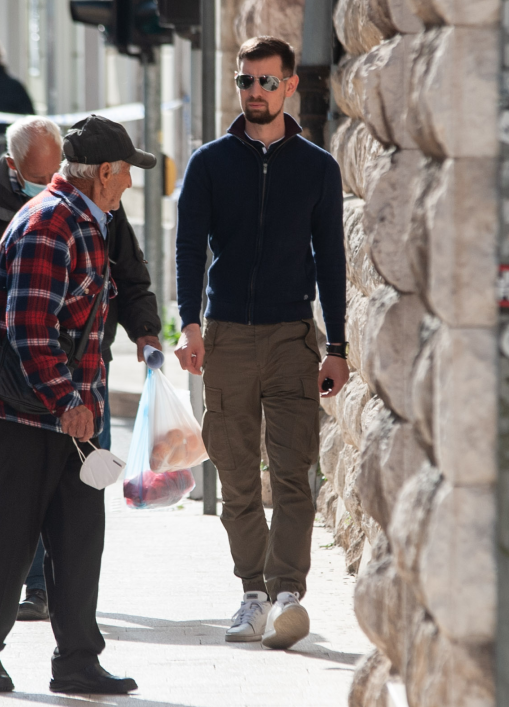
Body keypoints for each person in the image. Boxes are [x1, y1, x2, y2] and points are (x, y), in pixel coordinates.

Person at [0, 115, 156, 694]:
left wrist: (85, 397)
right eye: (125, 175)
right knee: (10, 533)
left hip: (68, 411)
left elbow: (90, 312)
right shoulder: (50, 224)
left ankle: (76, 661)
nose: (129, 186)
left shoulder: (87, 218)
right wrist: (69, 399)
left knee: (78, 532)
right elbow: (30, 327)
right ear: (104, 174)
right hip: (26, 410)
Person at [174, 36, 349, 651]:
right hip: (226, 337)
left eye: (266, 82)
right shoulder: (210, 163)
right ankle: (252, 591)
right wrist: (188, 324)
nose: (254, 91)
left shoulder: (318, 168)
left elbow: (332, 260)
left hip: (293, 338)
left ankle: (287, 595)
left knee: (295, 472)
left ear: (289, 86)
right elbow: (189, 247)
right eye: (246, 81)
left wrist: (339, 345)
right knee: (237, 473)